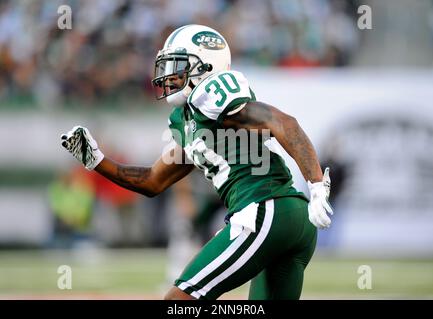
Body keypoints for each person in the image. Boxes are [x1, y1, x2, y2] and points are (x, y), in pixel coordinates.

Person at [60, 24, 333, 300]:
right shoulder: (187, 119)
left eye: (177, 65)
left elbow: (284, 123)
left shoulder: (211, 92)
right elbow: (153, 180)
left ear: (205, 67)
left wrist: (317, 183)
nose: (169, 75)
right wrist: (97, 161)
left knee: (178, 302)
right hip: (290, 217)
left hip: (265, 210)